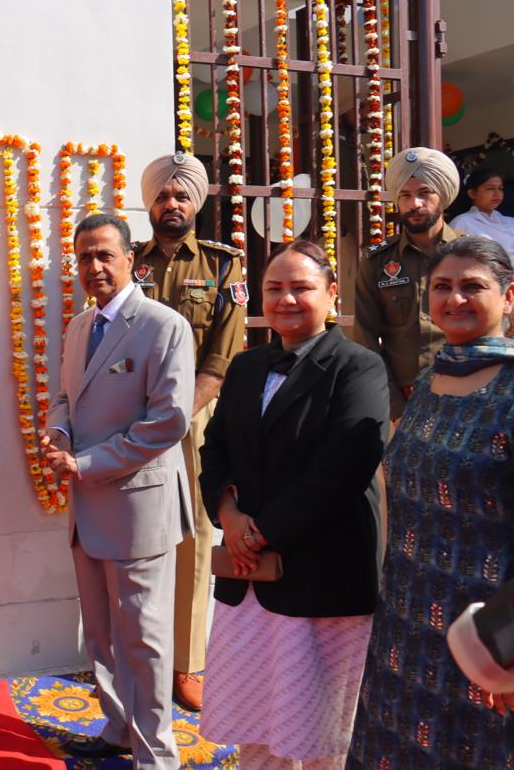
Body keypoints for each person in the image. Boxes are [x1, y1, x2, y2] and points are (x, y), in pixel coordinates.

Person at [197, 240, 388, 769]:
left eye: (301, 287)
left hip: (322, 574)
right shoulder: (245, 366)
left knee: (323, 732)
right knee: (255, 720)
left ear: (331, 295)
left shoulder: (358, 367)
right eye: (274, 288)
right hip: (250, 576)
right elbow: (215, 450)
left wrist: (259, 534)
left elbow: (343, 467)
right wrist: (230, 518)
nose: (286, 299)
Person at [348, 235, 514, 767]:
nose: (455, 300)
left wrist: (507, 649)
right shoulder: (429, 379)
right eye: (442, 286)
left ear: (508, 297)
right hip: (407, 622)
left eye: (474, 287)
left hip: (484, 636)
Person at [42, 212, 195, 768]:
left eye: (105, 254)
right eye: (84, 256)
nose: (94, 266)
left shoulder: (163, 325)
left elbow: (168, 421)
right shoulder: (80, 328)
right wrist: (56, 431)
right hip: (87, 506)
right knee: (101, 632)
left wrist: (82, 462)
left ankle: (158, 755)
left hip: (137, 504)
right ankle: (120, 728)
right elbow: (66, 399)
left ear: (132, 259)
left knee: (143, 638)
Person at [132, 153, 247, 711]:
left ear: (196, 204)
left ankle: (187, 665)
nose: (171, 205)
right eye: (163, 196)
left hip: (194, 419)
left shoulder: (225, 267)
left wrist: (174, 417)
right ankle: (137, 655)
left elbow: (220, 360)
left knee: (196, 539)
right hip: (128, 419)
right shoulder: (128, 262)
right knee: (132, 534)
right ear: (150, 202)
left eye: (181, 197)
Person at [351, 146, 461, 420]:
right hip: (402, 405)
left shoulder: (471, 254)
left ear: (443, 197)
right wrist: (396, 409)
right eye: (405, 196)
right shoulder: (378, 262)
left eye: (425, 193)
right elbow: (365, 340)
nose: (415, 204)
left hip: (467, 399)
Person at [450, 168, 514, 254]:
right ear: (472, 193)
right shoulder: (462, 223)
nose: (497, 194)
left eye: (500, 188)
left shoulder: (510, 222)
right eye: (490, 188)